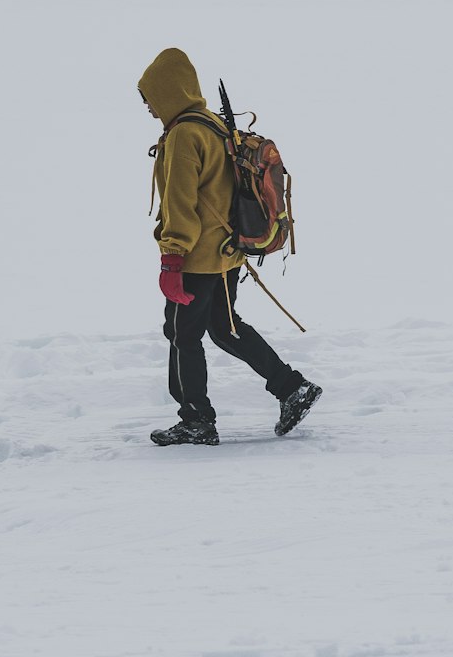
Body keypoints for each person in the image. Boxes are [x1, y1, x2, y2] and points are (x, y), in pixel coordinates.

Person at [138, 47, 322, 446]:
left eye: (150, 98)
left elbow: (180, 203)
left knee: (183, 335)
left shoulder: (185, 135)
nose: (150, 109)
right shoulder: (212, 125)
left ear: (168, 92)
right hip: (226, 252)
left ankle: (197, 420)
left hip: (197, 258)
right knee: (225, 327)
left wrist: (172, 258)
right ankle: (291, 387)